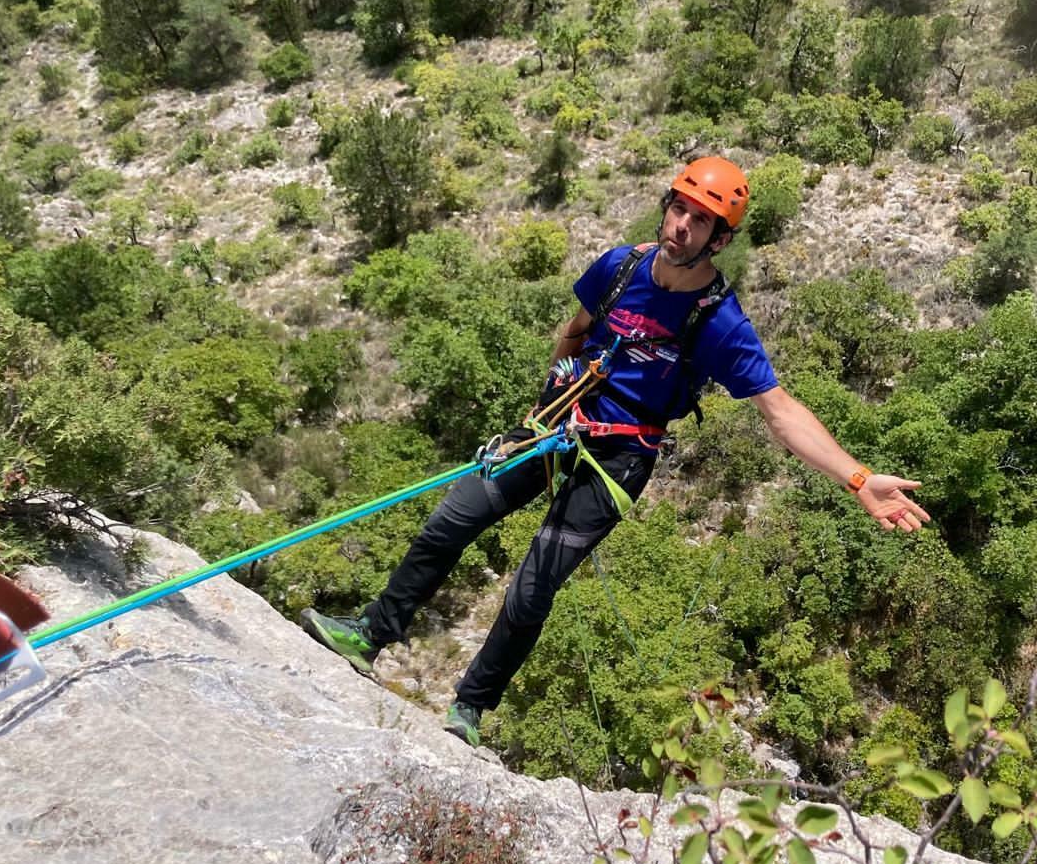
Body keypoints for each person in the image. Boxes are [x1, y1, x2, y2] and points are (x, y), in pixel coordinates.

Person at [301, 156, 930, 748]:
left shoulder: (718, 322)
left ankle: (469, 709)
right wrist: (540, 408)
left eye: (700, 220)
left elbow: (780, 411)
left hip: (618, 459)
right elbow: (575, 332)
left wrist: (858, 480)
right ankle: (370, 634)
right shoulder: (620, 268)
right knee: (453, 518)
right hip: (557, 425)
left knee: (531, 588)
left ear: (719, 239)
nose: (681, 225)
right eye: (678, 208)